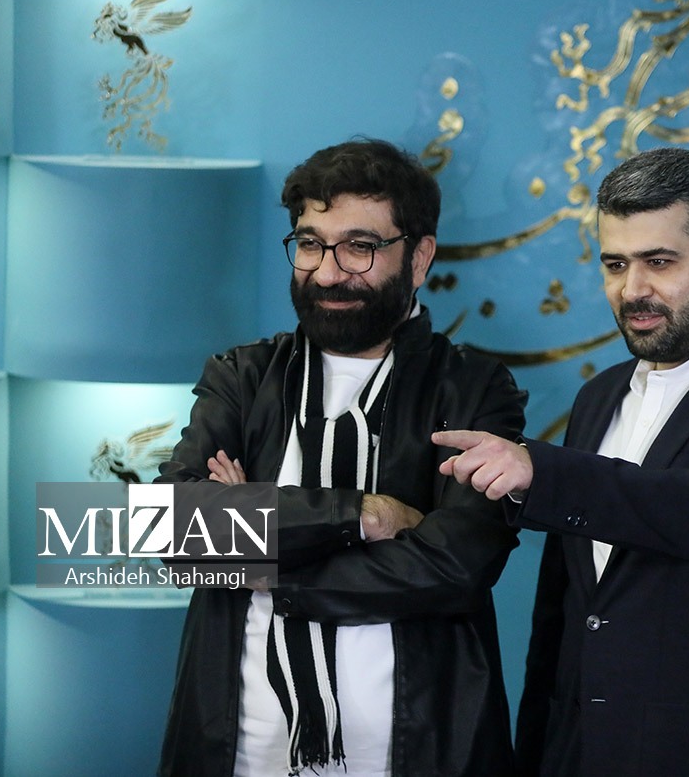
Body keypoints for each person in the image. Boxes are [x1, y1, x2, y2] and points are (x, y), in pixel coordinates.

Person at [434, 147, 689, 777]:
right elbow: (563, 614)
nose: (632, 290)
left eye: (659, 262)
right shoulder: (599, 395)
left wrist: (542, 472)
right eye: (615, 264)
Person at [156, 138, 526, 777]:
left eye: (360, 247)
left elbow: (456, 565)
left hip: (417, 755)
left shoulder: (472, 389)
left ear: (419, 257)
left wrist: (263, 557)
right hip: (236, 754)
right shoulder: (242, 377)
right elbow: (170, 528)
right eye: (310, 244)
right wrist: (362, 515)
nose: (328, 273)